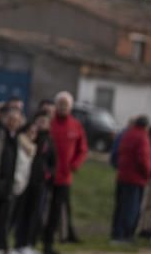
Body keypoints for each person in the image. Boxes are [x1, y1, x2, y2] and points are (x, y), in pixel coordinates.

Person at [41, 92, 87, 254]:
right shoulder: (49, 124)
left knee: (56, 211)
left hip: (64, 177)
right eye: (60, 104)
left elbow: (82, 149)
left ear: (70, 107)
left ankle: (49, 243)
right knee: (41, 209)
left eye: (66, 105)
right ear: (56, 105)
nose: (63, 107)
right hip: (46, 176)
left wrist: (74, 165)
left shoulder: (76, 125)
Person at [13, 112, 56, 254]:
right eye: (40, 120)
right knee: (21, 214)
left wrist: (47, 174)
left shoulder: (49, 141)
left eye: (45, 121)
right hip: (24, 181)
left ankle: (28, 244)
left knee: (34, 214)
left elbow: (53, 162)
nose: (42, 123)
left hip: (39, 183)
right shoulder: (28, 137)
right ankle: (18, 244)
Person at [0, 106, 25, 253]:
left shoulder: (17, 137)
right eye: (10, 119)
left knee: (5, 218)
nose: (13, 122)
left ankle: (0, 246)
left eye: (16, 120)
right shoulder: (0, 134)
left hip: (10, 183)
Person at [111, 115, 151, 244]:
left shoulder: (126, 134)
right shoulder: (143, 137)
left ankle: (116, 233)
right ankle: (125, 235)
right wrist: (147, 174)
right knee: (131, 208)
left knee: (121, 206)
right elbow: (143, 159)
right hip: (136, 178)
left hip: (123, 175)